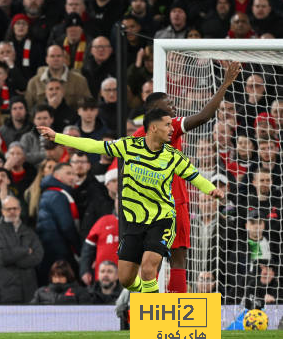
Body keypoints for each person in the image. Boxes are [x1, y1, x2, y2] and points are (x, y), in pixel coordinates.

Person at [37, 108, 223, 294]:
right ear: (153, 128)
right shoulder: (128, 146)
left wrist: (211, 189)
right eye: (167, 125)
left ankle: (153, 310)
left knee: (149, 267)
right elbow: (93, 146)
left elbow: (194, 176)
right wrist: (58, 137)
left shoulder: (173, 156)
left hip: (162, 219)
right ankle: (147, 295)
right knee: (126, 279)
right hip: (135, 222)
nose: (171, 129)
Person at [128, 61, 241, 293]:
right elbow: (204, 116)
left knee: (151, 262)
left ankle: (146, 312)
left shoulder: (137, 137)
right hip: (174, 201)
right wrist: (225, 84)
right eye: (168, 105)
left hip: (147, 206)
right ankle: (173, 310)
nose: (174, 108)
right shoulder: (172, 127)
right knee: (177, 259)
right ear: (154, 112)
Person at [0, 196, 43, 304]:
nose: (12, 212)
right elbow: (2, 257)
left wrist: (13, 260)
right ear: (3, 211)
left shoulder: (29, 232)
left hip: (30, 290)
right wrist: (25, 251)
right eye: (9, 209)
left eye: (15, 208)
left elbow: (38, 256)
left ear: (20, 210)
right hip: (7, 290)